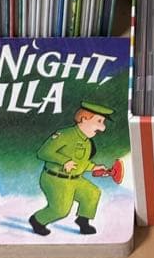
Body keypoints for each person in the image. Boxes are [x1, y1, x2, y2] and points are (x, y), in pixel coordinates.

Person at [28, 100, 113, 236]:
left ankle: (83, 221)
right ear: (84, 119)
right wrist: (64, 161)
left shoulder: (87, 142)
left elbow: (80, 162)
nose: (102, 128)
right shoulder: (64, 135)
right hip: (55, 179)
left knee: (92, 193)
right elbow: (43, 152)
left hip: (75, 179)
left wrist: (94, 167)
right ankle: (37, 220)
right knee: (61, 210)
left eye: (103, 122)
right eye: (99, 121)